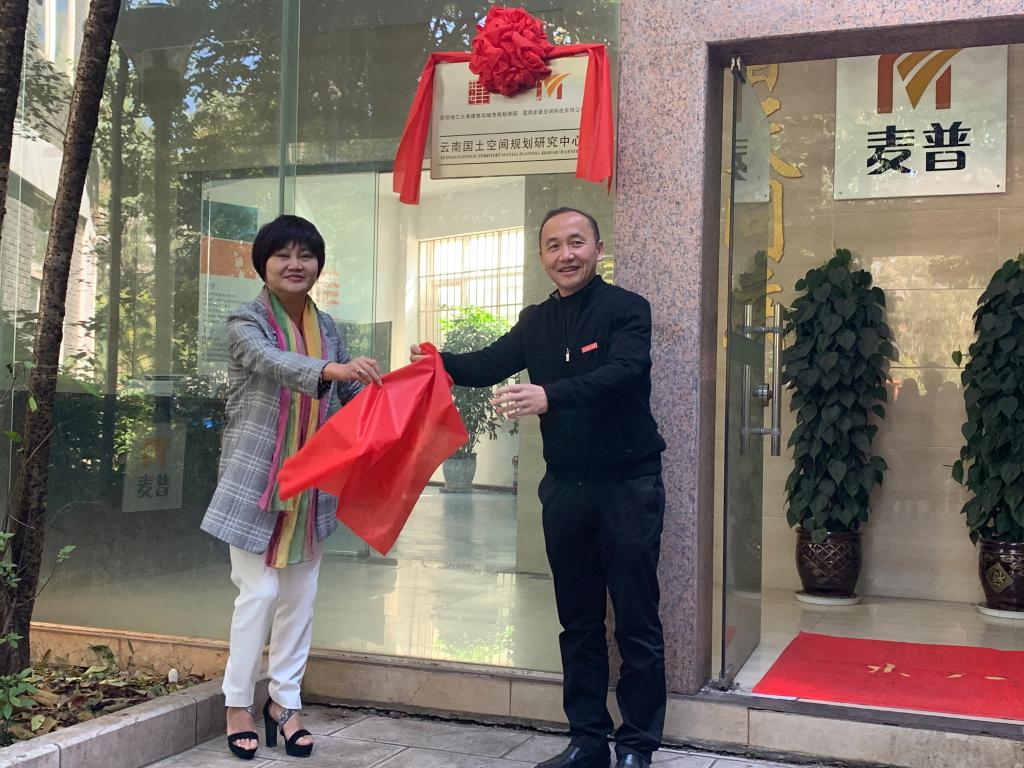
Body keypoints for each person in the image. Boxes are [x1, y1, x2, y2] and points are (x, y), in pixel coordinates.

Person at [411, 207, 667, 768]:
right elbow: (487, 364)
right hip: (566, 490)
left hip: (628, 485)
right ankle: (587, 741)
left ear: (598, 249)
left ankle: (637, 745)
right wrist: (438, 362)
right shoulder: (535, 322)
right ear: (542, 257)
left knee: (636, 621)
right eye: (553, 246)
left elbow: (624, 372)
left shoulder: (627, 309)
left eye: (576, 242)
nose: (565, 255)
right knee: (578, 622)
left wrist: (550, 395)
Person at [201, 214, 382, 760]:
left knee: (300, 598)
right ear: (263, 264)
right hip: (258, 482)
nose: (295, 264)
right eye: (282, 254)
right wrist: (333, 370)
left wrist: (392, 388)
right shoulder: (245, 320)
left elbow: (349, 398)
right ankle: (238, 703)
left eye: (306, 255)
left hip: (312, 484)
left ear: (319, 265)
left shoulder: (328, 327)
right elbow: (272, 361)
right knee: (258, 593)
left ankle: (285, 704)